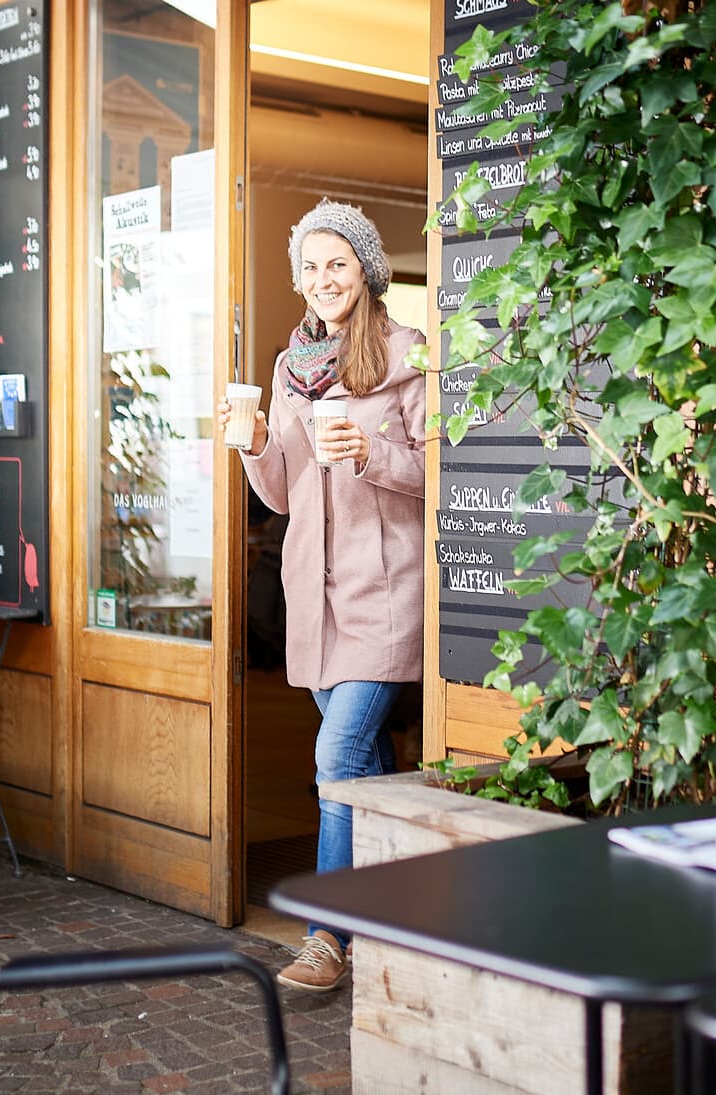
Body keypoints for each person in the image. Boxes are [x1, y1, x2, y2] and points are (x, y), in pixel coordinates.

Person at [217, 200, 427, 993]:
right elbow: (281, 494)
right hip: (314, 593)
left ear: (367, 272)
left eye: (337, 263)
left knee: (336, 756)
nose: (322, 279)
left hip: (385, 591)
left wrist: (372, 452)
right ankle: (395, 913)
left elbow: (434, 474)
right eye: (310, 267)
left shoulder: (405, 352)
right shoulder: (289, 366)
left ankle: (325, 937)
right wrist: (257, 444)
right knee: (365, 765)